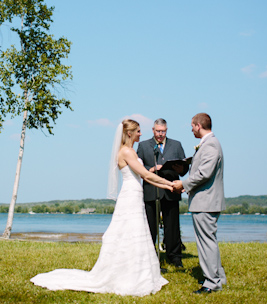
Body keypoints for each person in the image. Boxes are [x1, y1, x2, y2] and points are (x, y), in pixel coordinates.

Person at [31, 119, 176, 296]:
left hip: (135, 194)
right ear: (129, 133)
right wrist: (170, 185)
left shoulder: (129, 151)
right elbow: (146, 174)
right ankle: (128, 275)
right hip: (130, 195)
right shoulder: (126, 152)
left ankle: (139, 272)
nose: (141, 134)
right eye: (138, 131)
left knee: (136, 234)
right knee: (130, 232)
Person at [181, 113, 226, 294]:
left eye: (192, 126)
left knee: (206, 242)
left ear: (198, 125)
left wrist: (183, 184)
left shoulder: (211, 144)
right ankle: (218, 277)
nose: (191, 129)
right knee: (208, 241)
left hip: (206, 201)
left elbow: (204, 173)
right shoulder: (208, 144)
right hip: (204, 201)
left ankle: (211, 283)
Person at [137, 118, 187, 267]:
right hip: (152, 191)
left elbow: (184, 169)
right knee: (150, 226)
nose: (160, 134)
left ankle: (175, 256)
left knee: (172, 226)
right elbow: (138, 168)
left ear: (166, 130)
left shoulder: (176, 145)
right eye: (158, 131)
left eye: (163, 131)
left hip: (171, 190)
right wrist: (152, 169)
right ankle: (150, 256)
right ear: (153, 130)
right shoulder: (144, 145)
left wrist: (180, 169)